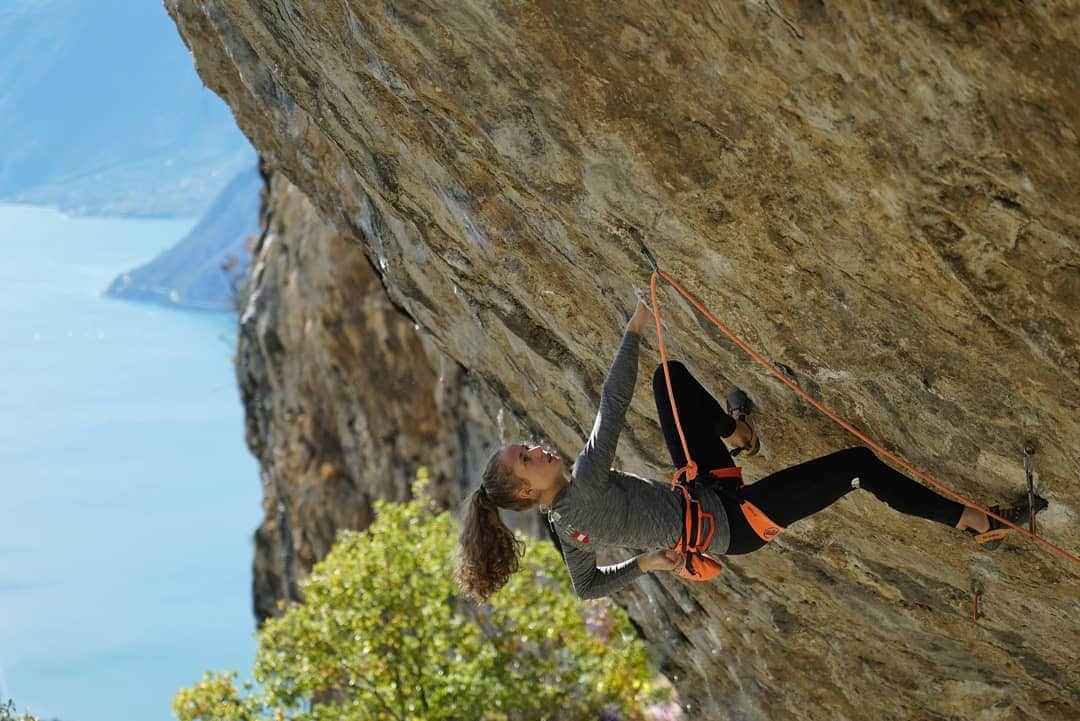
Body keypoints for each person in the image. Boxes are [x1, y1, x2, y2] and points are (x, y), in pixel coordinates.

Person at [454, 300, 1044, 602]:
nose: (535, 447)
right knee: (857, 469)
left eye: (524, 446)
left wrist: (644, 564)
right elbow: (611, 405)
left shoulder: (563, 526)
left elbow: (585, 587)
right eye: (526, 457)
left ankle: (740, 436)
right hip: (735, 526)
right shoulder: (584, 485)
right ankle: (973, 523)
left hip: (702, 490)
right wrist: (634, 325)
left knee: (670, 382)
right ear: (528, 489)